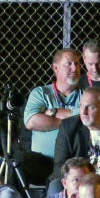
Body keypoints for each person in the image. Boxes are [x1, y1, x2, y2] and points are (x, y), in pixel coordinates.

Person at [50, 87, 100, 191]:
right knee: (55, 186)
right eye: (81, 106)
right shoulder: (68, 127)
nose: (83, 112)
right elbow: (59, 164)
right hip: (80, 183)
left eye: (90, 107)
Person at [23, 48, 82, 177]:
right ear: (55, 68)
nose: (74, 68)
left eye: (77, 64)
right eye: (69, 64)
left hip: (74, 165)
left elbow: (87, 115)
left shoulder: (85, 95)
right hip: (42, 163)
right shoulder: (41, 93)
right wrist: (71, 121)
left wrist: (54, 113)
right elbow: (31, 121)